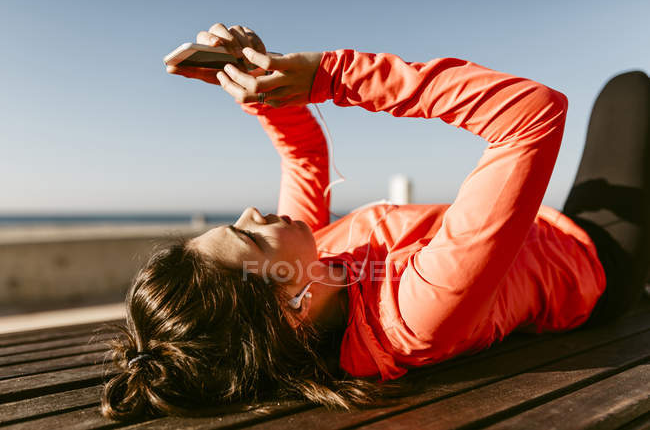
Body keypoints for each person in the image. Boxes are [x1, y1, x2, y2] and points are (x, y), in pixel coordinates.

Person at [100, 23, 650, 420]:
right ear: (290, 307)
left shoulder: (314, 266)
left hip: (548, 231)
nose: (249, 212)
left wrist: (262, 87)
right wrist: (331, 76)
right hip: (597, 257)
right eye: (246, 234)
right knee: (629, 91)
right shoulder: (416, 313)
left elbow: (305, 159)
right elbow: (531, 114)